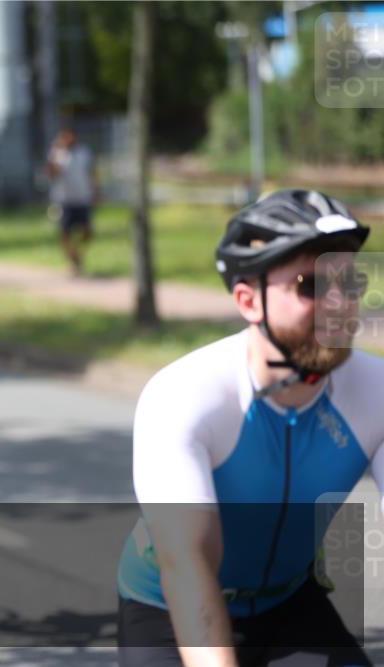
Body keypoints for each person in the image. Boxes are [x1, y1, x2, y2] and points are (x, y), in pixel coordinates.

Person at [116, 189, 382, 666]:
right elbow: (188, 566)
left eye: (350, 280)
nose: (341, 301)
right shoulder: (184, 396)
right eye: (311, 285)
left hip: (288, 604)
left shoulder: (375, 390)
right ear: (248, 301)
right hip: (167, 607)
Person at [45, 128, 97, 276]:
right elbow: (52, 175)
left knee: (88, 232)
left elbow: (92, 171)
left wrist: (96, 191)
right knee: (65, 234)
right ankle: (73, 262)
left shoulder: (84, 152)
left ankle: (77, 254)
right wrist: (54, 157)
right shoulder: (57, 154)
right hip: (64, 200)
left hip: (83, 197)